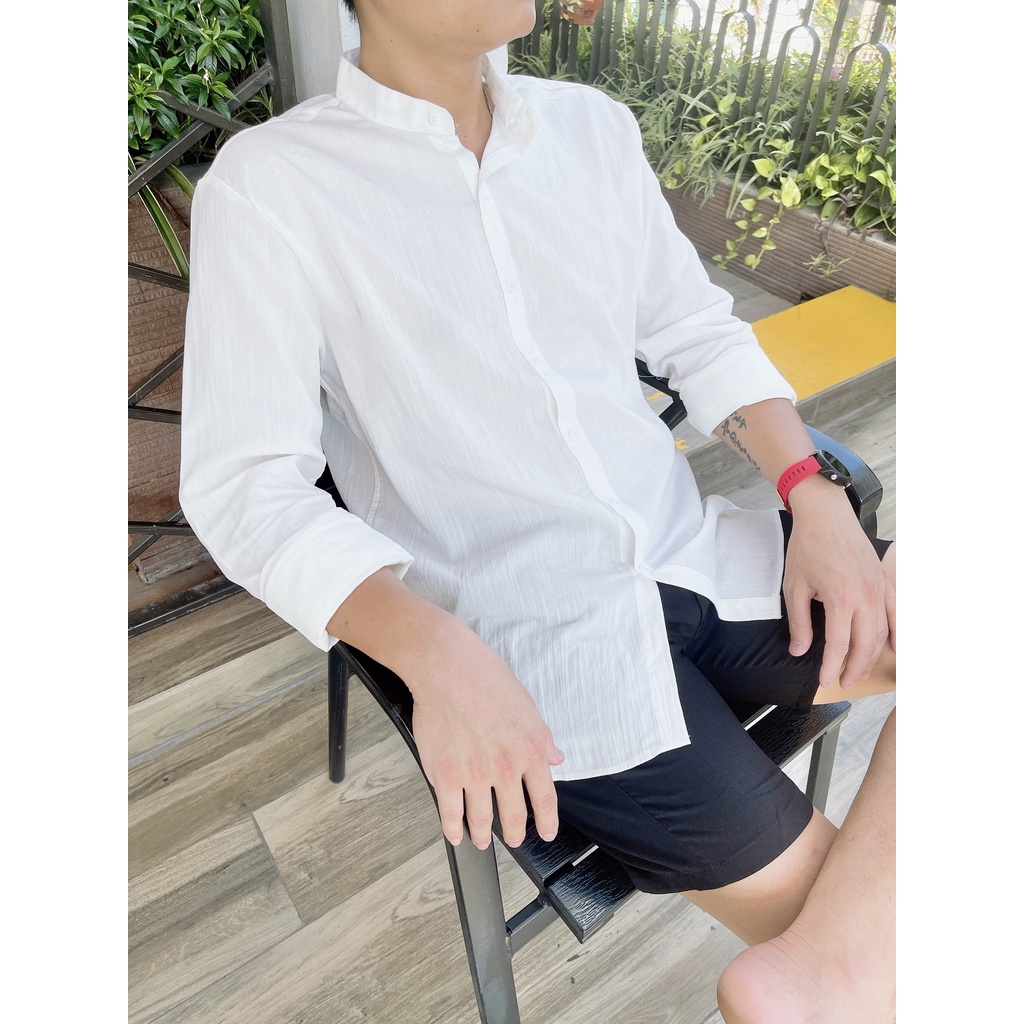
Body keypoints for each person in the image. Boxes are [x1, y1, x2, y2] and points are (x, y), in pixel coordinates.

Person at [179, 2, 896, 1021]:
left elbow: (695, 331)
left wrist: (810, 494)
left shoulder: (591, 129)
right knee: (875, 963)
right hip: (542, 655)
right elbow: (246, 487)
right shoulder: (272, 188)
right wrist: (429, 650)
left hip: (701, 558)